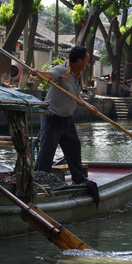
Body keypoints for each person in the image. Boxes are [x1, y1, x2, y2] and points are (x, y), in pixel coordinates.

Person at [31, 46, 98, 188]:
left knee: (74, 147)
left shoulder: (77, 76)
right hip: (52, 117)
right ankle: (38, 180)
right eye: (86, 61)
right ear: (79, 61)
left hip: (66, 118)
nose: (87, 64)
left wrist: (87, 105)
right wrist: (39, 73)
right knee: (47, 151)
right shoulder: (62, 70)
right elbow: (49, 75)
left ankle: (78, 178)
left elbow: (75, 95)